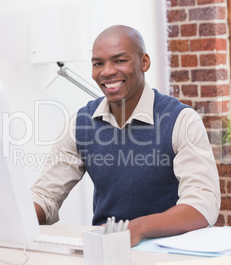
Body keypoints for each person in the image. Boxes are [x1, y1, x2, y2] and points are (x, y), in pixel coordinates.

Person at [31, 25, 220, 246]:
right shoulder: (80, 123)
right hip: (106, 249)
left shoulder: (182, 120)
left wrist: (135, 229)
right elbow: (45, 195)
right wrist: (13, 219)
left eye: (120, 60)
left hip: (170, 250)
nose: (107, 71)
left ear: (144, 62)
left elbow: (203, 203)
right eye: (98, 63)